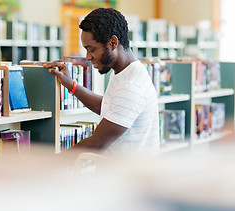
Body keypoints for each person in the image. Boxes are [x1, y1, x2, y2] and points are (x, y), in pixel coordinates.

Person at [44, 8, 159, 158]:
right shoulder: (125, 72)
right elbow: (108, 107)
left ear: (113, 42)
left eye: (91, 50)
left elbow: (96, 143)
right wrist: (71, 85)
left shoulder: (131, 86)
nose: (88, 57)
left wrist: (50, 164)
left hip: (127, 178)